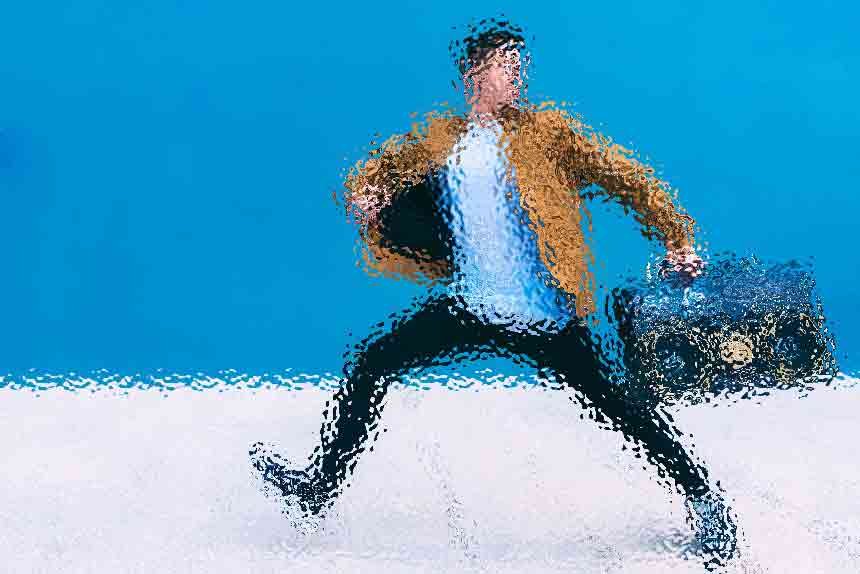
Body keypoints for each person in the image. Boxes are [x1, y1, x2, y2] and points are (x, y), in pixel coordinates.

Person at [251, 20, 737, 568]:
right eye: (507, 66)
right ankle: (317, 490)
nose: (518, 76)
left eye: (520, 66)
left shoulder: (547, 131)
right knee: (371, 362)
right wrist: (367, 194)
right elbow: (374, 173)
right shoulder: (440, 139)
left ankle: (706, 501)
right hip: (473, 306)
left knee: (624, 408)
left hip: (545, 314)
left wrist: (677, 238)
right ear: (474, 75)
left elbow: (627, 177)